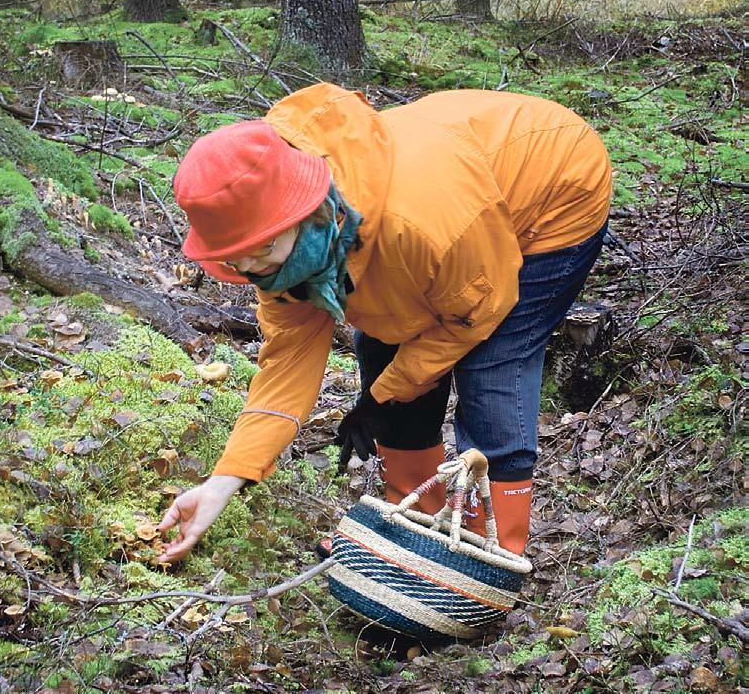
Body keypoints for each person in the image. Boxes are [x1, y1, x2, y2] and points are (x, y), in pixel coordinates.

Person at [158, 82, 611, 564]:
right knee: (381, 348)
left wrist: (381, 395)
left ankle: (487, 553)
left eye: (262, 252)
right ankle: (415, 522)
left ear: (305, 209)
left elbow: (474, 313)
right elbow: (286, 367)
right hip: (452, 212)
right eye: (237, 259)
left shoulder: (416, 225)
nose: (252, 272)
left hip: (552, 191)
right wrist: (224, 481)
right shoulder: (278, 252)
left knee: (492, 370)